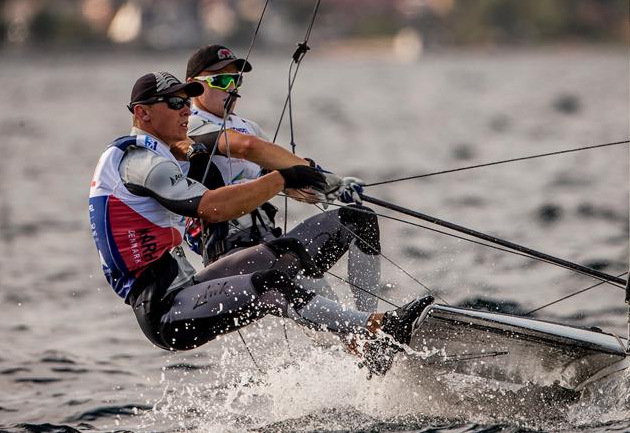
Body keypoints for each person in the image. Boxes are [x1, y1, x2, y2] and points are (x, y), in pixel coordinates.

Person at [88, 71, 431, 374]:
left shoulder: (160, 154)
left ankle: (366, 343)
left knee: (281, 253)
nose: (186, 109)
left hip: (186, 285)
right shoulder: (138, 162)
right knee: (271, 284)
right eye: (175, 102)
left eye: (188, 100)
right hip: (165, 312)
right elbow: (212, 207)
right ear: (142, 113)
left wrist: (314, 182)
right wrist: (280, 179)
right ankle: (374, 330)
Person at [182, 45, 382, 312]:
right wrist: (321, 177)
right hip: (230, 257)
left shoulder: (247, 126)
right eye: (221, 80)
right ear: (193, 86)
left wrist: (320, 190)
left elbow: (280, 175)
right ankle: (359, 334)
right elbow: (248, 147)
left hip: (272, 242)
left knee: (360, 218)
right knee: (295, 260)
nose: (232, 88)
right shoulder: (188, 127)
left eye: (237, 79)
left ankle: (371, 324)